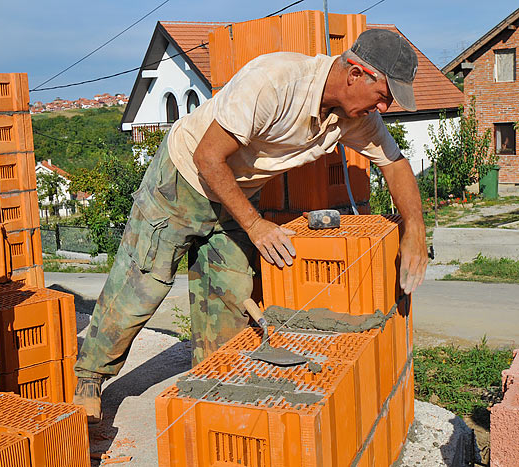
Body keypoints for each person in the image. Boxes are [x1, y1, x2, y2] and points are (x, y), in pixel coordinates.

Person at [73, 28, 429, 423]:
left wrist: (415, 230)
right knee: (142, 285)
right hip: (181, 180)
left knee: (230, 299)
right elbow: (209, 158)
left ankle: (209, 386)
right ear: (357, 74)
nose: (384, 106)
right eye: (384, 95)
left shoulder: (352, 116)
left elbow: (395, 164)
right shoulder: (275, 82)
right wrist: (256, 226)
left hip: (236, 194)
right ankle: (89, 376)